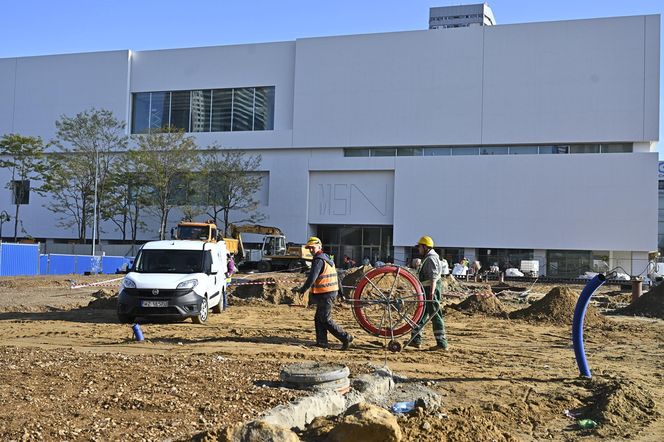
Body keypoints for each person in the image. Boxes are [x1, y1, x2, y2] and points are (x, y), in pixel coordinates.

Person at [293, 237, 353, 350]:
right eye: (309, 248)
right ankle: (322, 342)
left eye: (313, 247)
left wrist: (302, 289)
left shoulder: (318, 260)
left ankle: (346, 337)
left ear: (319, 247)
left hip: (327, 293)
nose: (311, 250)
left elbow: (312, 278)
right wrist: (341, 292)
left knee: (325, 318)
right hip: (328, 292)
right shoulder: (327, 258)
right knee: (318, 318)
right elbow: (337, 277)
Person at [409, 236, 449, 350]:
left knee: (435, 315)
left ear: (425, 247)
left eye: (420, 247)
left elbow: (434, 278)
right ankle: (415, 340)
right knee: (421, 314)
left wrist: (431, 293)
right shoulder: (428, 257)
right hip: (426, 289)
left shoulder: (431, 258)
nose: (418, 249)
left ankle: (441, 343)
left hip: (430, 290)